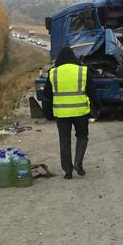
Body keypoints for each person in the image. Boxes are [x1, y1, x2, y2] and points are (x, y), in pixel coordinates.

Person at [42, 46, 98, 179]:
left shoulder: (53, 73)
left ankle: (68, 171)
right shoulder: (83, 71)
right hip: (80, 112)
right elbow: (92, 92)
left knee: (64, 141)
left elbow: (46, 94)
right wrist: (98, 106)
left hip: (61, 114)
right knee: (82, 136)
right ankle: (78, 162)